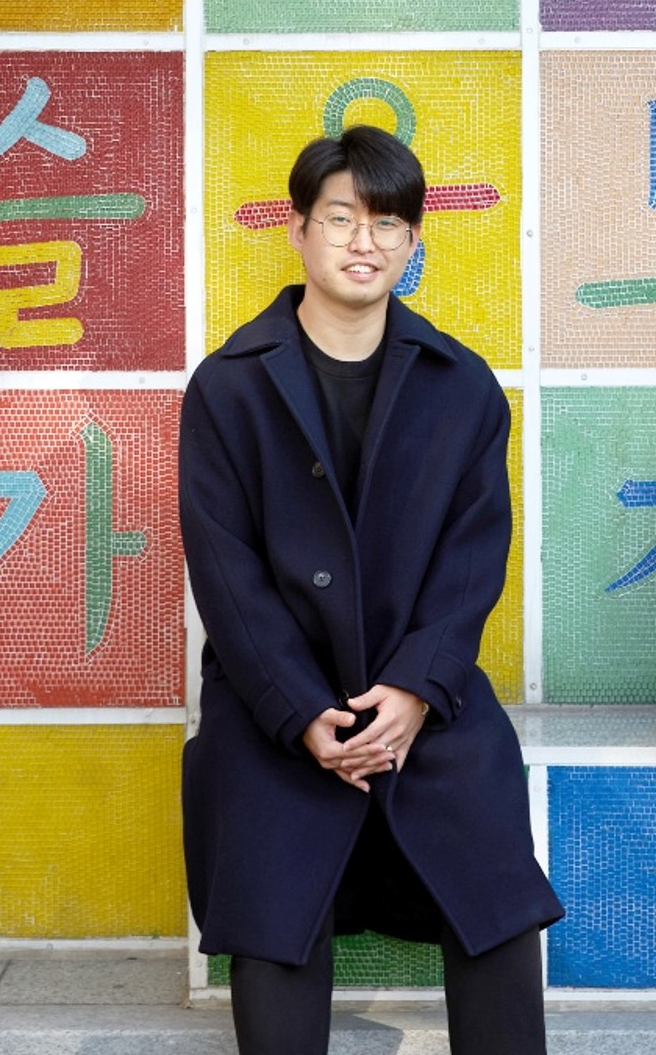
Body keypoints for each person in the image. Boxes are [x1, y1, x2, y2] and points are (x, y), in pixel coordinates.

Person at [179, 125, 563, 1055]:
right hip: (276, 699)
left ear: (413, 240)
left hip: (420, 689)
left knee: (492, 882)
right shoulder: (228, 387)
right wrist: (299, 710)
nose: (365, 242)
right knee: (273, 887)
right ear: (299, 230)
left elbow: (472, 560)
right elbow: (225, 574)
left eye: (388, 223)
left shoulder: (462, 386)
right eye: (342, 218)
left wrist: (415, 689)